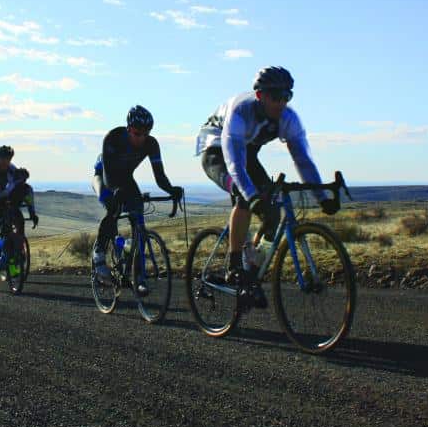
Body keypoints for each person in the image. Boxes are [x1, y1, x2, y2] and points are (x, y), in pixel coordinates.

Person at [195, 66, 340, 308]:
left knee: (272, 212)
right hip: (216, 151)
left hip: (247, 153)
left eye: (287, 96)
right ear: (260, 95)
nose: (281, 102)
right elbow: (234, 164)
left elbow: (303, 160)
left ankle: (250, 274)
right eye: (275, 96)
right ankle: (234, 265)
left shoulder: (289, 118)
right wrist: (251, 196)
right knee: (244, 195)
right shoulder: (241, 111)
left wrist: (322, 197)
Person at [90, 105, 184, 292]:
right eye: (137, 133)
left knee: (138, 219)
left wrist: (171, 189)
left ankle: (137, 272)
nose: (141, 138)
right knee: (112, 206)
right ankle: (99, 252)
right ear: (128, 129)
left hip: (126, 178)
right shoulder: (113, 138)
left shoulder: (151, 144)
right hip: (104, 176)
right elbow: (108, 176)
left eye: (146, 133)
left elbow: (159, 176)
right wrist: (115, 192)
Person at [0, 146, 39, 273]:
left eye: (8, 159)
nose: (5, 162)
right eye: (3, 159)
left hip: (3, 201)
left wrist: (32, 213)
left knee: (16, 221)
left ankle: (11, 258)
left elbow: (22, 191)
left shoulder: (12, 171)